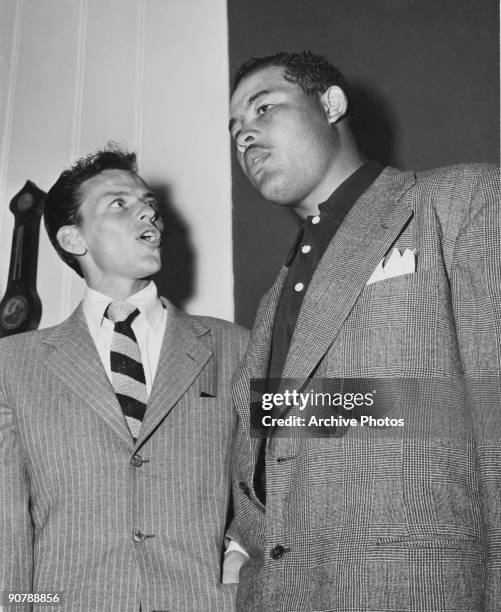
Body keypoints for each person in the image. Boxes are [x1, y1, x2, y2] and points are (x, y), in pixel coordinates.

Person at [228, 51, 500, 611]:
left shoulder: (465, 202)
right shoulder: (276, 293)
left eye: (263, 109)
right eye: (234, 131)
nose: (245, 137)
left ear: (330, 104)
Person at [0, 146, 248, 611]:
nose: (148, 213)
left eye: (148, 203)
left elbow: (276, 469)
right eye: (119, 203)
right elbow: (6, 527)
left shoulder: (234, 346)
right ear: (74, 238)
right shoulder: (12, 365)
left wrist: (240, 553)